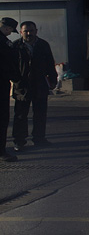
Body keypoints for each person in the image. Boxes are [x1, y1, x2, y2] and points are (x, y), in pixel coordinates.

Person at [11, 21, 57, 152]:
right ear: (21, 32)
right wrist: (16, 80)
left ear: (36, 31)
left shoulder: (43, 45)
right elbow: (11, 66)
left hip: (39, 84)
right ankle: (19, 141)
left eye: (31, 30)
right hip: (22, 86)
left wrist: (53, 80)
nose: (29, 33)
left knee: (40, 114)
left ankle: (39, 138)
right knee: (20, 115)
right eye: (26, 31)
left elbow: (50, 63)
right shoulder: (16, 46)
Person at [1, 17, 21, 162]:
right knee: (2, 118)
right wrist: (15, 76)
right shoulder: (3, 42)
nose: (9, 34)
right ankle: (1, 151)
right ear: (7, 28)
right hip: (1, 81)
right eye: (9, 30)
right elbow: (8, 62)